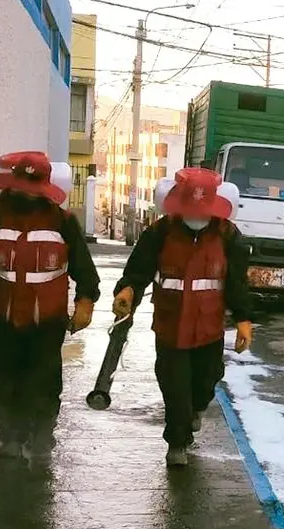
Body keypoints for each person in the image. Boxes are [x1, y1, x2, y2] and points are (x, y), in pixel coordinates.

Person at [0, 151, 101, 461]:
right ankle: (10, 437)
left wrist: (85, 300)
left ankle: (41, 435)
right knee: (1, 378)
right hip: (2, 316)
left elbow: (83, 266)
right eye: (20, 186)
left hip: (47, 319)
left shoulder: (62, 221)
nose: (25, 193)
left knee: (44, 379)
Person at [111, 168, 252, 467]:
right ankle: (177, 442)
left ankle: (195, 410)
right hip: (169, 325)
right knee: (174, 385)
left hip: (209, 327)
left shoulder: (228, 235)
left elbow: (238, 282)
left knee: (206, 380)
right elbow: (138, 270)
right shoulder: (161, 231)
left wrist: (243, 319)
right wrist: (127, 292)